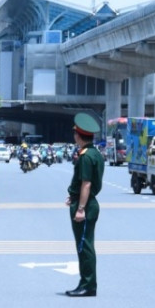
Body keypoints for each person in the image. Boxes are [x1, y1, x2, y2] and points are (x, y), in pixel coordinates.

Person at [65, 114, 105, 297]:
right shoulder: (94, 153)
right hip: (85, 202)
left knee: (85, 246)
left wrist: (80, 208)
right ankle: (85, 282)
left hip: (86, 206)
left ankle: (88, 285)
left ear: (78, 135)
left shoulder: (86, 157)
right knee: (84, 245)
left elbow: (86, 184)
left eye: (75, 134)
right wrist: (73, 196)